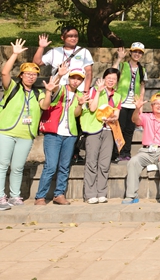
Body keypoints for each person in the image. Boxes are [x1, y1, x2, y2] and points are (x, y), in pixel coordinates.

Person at [0, 40, 43, 209]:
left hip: (26, 134)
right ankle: (0, 197)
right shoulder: (13, 88)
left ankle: (14, 196)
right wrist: (15, 54)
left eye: (34, 74)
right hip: (6, 131)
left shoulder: (38, 93)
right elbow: (5, 72)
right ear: (21, 75)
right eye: (27, 73)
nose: (31, 76)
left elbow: (45, 105)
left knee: (18, 167)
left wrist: (53, 85)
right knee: (2, 165)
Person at [35, 68, 84, 205]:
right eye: (73, 78)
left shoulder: (80, 94)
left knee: (64, 166)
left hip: (70, 134)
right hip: (53, 133)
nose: (75, 81)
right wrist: (59, 75)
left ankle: (59, 194)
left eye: (79, 79)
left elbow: (76, 114)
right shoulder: (61, 89)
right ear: (69, 78)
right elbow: (53, 87)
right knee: (50, 166)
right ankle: (40, 196)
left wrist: (80, 104)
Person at [122, 93, 160, 204]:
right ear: (152, 106)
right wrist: (137, 108)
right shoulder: (146, 116)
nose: (159, 105)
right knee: (133, 161)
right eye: (156, 103)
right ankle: (131, 195)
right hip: (147, 151)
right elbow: (135, 120)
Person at [80, 68, 122, 204]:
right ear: (104, 78)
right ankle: (90, 194)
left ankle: (101, 192)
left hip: (109, 130)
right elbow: (92, 108)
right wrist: (98, 91)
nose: (111, 81)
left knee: (104, 164)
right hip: (94, 129)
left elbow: (116, 115)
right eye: (108, 78)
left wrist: (112, 118)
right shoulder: (94, 90)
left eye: (114, 79)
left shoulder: (117, 96)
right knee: (91, 162)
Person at [113, 42, 147, 161]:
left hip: (133, 104)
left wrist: (140, 106)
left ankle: (126, 153)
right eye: (135, 51)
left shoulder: (142, 70)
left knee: (129, 130)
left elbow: (142, 87)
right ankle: (117, 152)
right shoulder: (122, 65)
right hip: (121, 102)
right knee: (120, 129)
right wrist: (119, 58)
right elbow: (112, 72)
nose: (137, 54)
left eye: (140, 52)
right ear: (130, 52)